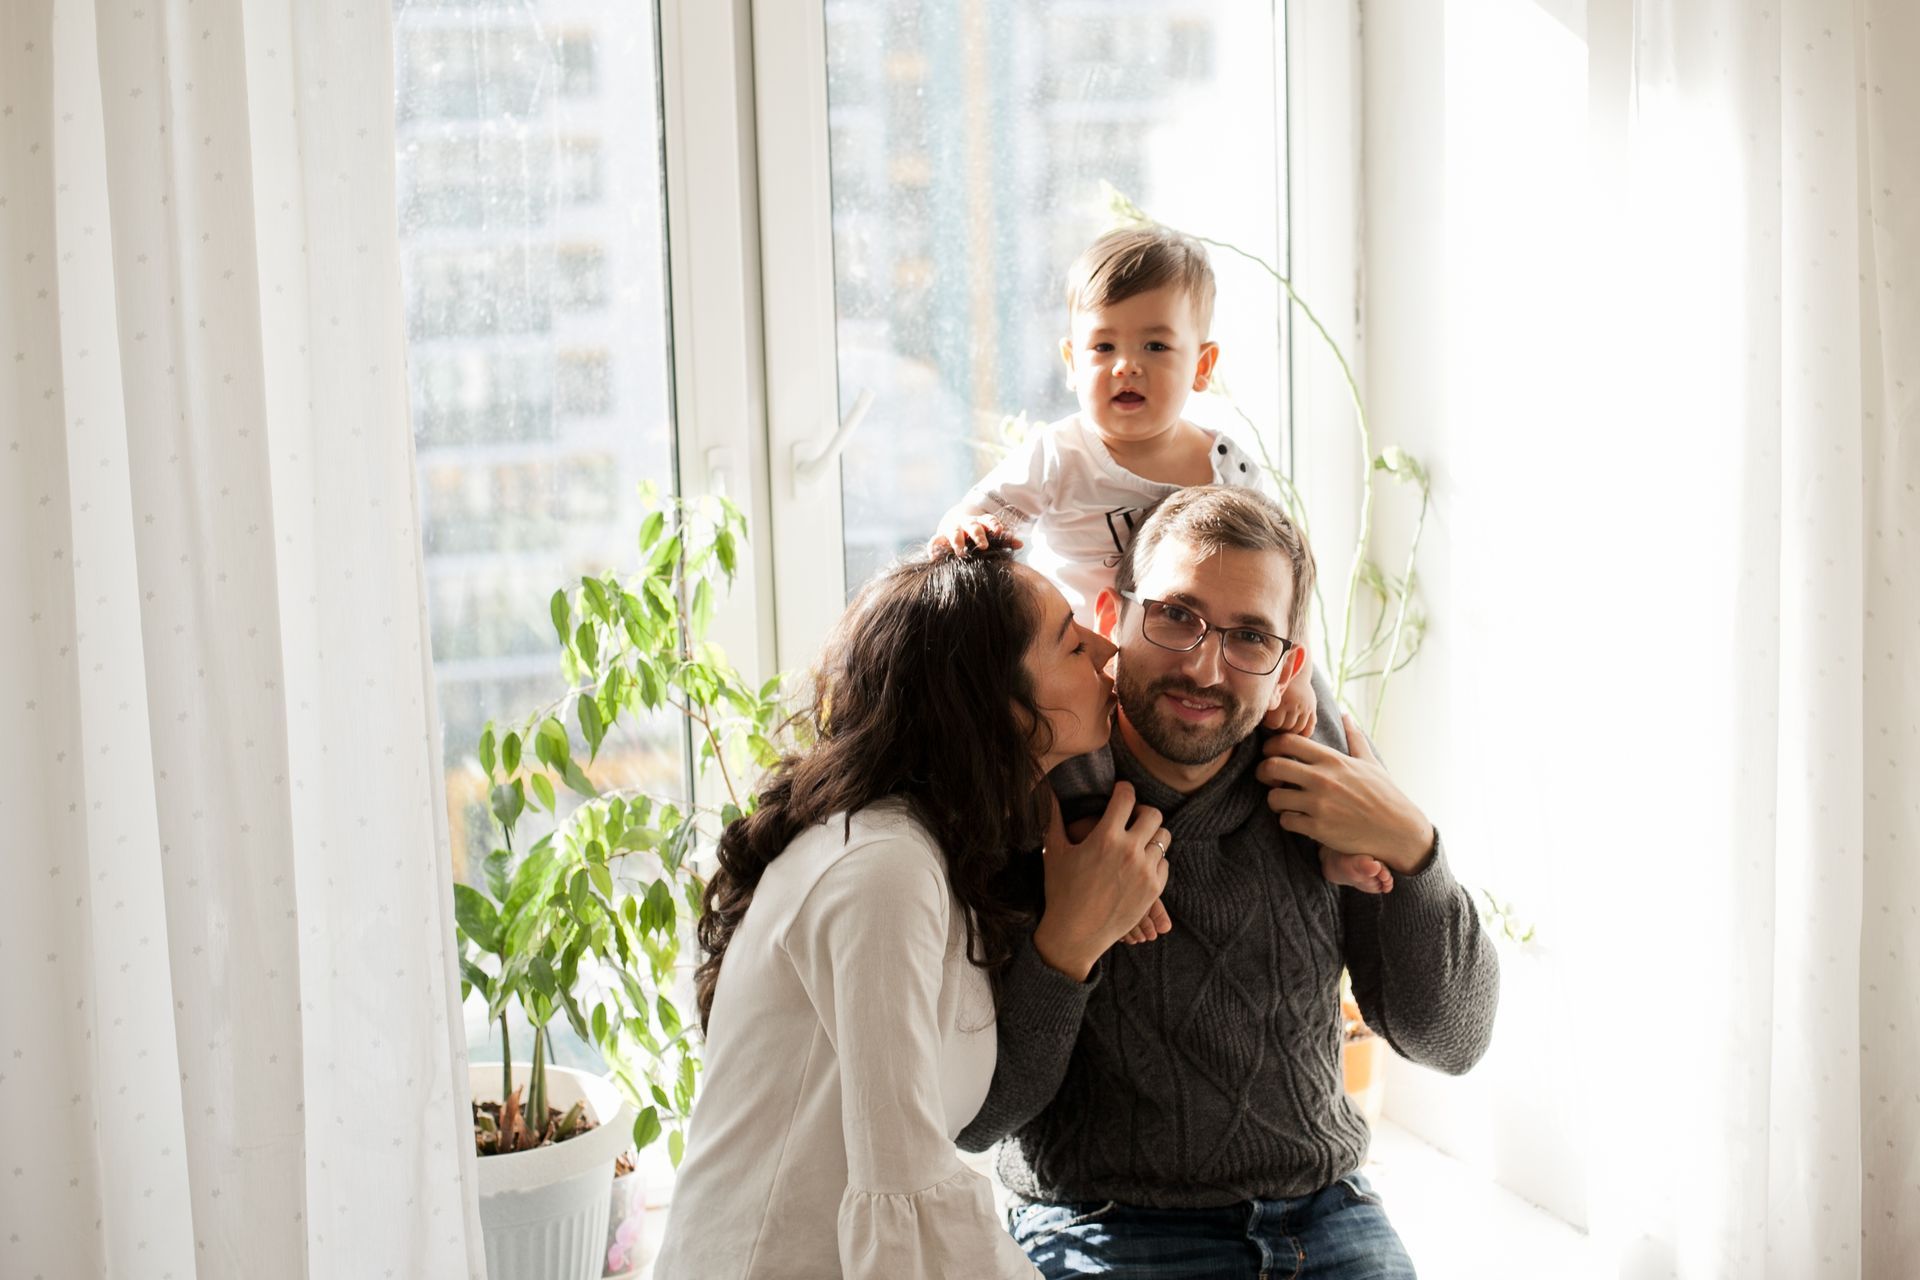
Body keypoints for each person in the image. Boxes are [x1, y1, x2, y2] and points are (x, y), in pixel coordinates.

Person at [957, 486, 1501, 1279]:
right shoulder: (1037, 800)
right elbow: (979, 1119)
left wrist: (1414, 848)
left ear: (1289, 669)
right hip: (1106, 1223)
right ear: (1113, 617)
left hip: (1327, 1212)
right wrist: (1065, 944)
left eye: (1250, 637)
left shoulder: (1323, 787)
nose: (1204, 666)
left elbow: (1452, 1040)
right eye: (1176, 615)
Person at [654, 544, 1168, 1279]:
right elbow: (910, 1199)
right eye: (1066, 638)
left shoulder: (941, 852)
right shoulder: (882, 870)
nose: (1104, 646)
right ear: (989, 701)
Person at [931, 224, 1391, 897]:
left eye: (1154, 345)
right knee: (1071, 757)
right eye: (1103, 346)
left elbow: (1287, 568)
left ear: (1202, 366)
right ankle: (1088, 864)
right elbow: (981, 513)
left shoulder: (1220, 461)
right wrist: (968, 529)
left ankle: (1334, 842)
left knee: (1312, 700)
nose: (1127, 365)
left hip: (1198, 646)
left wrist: (1292, 676)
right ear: (1070, 359)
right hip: (1098, 656)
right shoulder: (1061, 454)